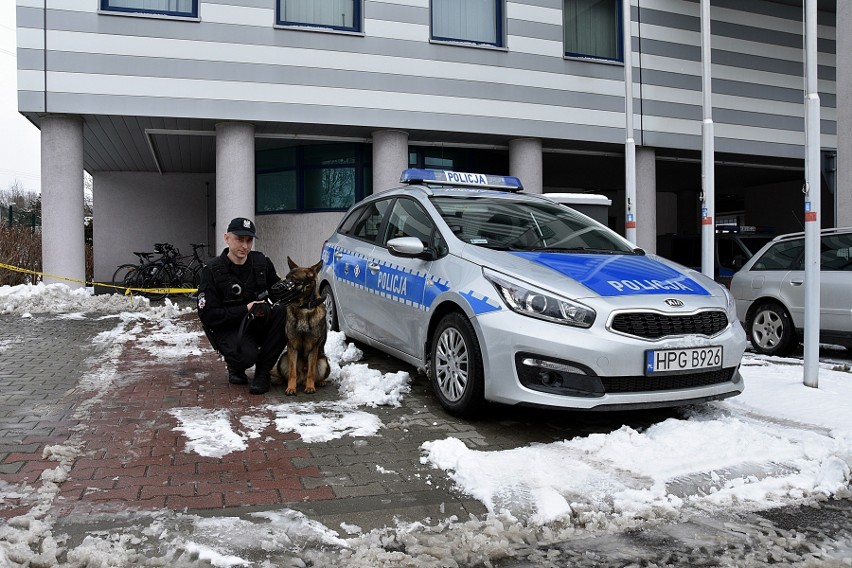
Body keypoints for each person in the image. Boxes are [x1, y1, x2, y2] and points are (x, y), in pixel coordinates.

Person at [196, 217, 290, 394]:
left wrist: (293, 288)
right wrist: (245, 309)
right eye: (239, 239)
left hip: (259, 323)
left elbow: (278, 292)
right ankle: (235, 365)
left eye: (249, 240)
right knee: (245, 357)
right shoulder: (212, 271)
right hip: (230, 328)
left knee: (284, 313)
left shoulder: (261, 263)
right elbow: (208, 315)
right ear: (227, 238)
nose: (245, 246)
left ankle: (262, 373)